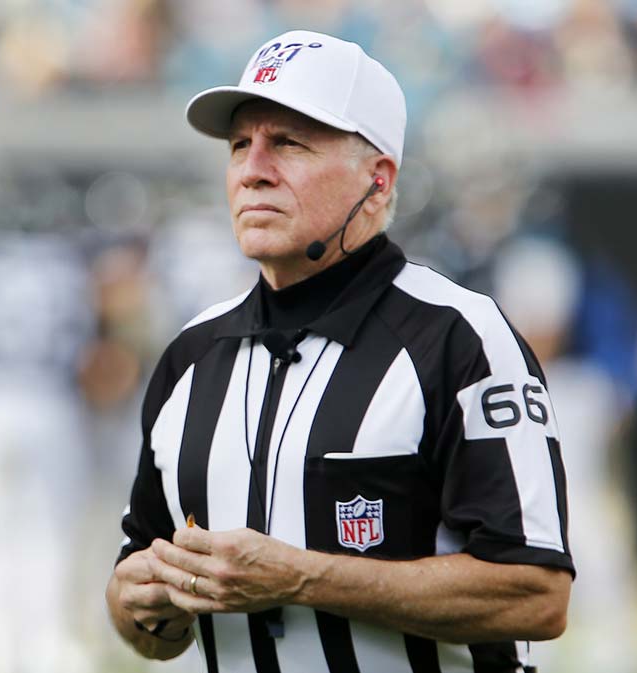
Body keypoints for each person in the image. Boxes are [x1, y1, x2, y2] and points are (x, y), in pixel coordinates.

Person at [106, 30, 573, 672]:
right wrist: (135, 603)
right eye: (241, 144)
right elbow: (151, 615)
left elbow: (536, 593)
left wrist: (301, 579)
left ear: (376, 181)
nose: (252, 169)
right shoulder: (191, 355)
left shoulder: (459, 336)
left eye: (289, 143)